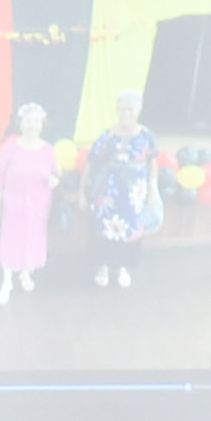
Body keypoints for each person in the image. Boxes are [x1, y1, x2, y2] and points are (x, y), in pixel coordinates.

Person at [88, 91, 164, 289]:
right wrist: (84, 190)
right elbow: (92, 160)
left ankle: (122, 267)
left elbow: (152, 163)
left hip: (134, 193)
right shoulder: (108, 135)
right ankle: (103, 267)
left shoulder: (146, 135)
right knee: (105, 228)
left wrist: (153, 189)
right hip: (109, 191)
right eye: (122, 110)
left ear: (139, 110)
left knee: (130, 228)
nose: (126, 114)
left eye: (130, 109)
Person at [0, 104, 57, 306]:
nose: (32, 125)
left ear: (42, 124)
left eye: (36, 121)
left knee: (32, 239)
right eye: (28, 121)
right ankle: (7, 281)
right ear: (20, 124)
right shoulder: (10, 149)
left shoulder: (48, 150)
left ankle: (26, 273)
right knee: (11, 240)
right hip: (14, 205)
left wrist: (54, 181)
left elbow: (56, 173)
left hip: (39, 206)